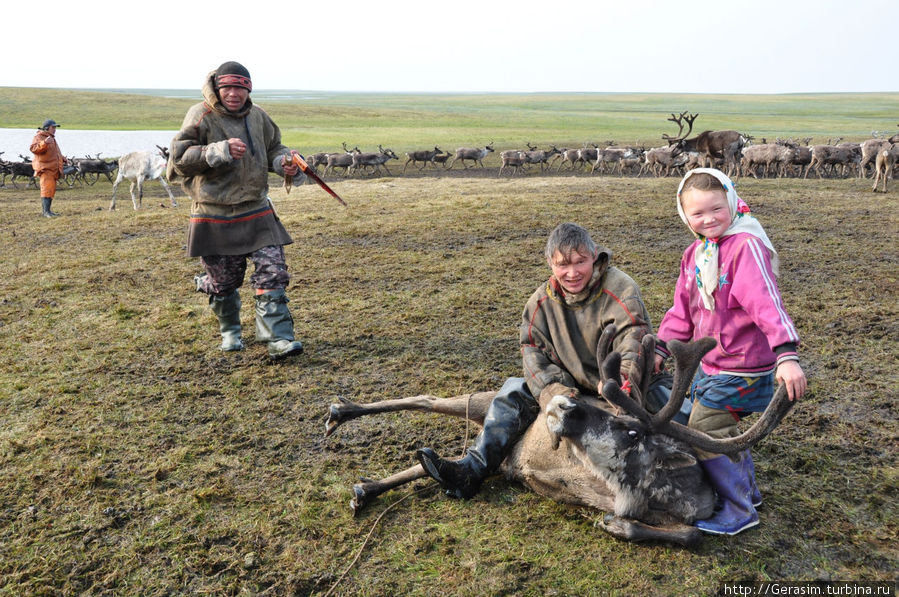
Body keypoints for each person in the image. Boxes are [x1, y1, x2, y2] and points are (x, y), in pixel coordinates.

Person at [417, 222, 658, 499]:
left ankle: (713, 462)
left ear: (595, 255)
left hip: (619, 386)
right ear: (549, 263)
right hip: (570, 383)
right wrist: (556, 392)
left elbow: (633, 336)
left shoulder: (621, 288)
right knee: (512, 392)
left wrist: (620, 381)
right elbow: (533, 352)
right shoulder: (539, 302)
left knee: (671, 408)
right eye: (562, 265)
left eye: (580, 262)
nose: (572, 272)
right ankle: (472, 469)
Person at [653, 167, 807, 536]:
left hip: (744, 364)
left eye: (717, 209)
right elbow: (681, 311)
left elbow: (766, 303)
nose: (709, 219)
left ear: (732, 202)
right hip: (711, 363)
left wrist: (787, 356)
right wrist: (659, 347)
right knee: (718, 428)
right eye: (698, 213)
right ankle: (749, 493)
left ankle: (738, 510)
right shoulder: (696, 254)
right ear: (683, 214)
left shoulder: (745, 246)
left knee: (705, 429)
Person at [167, 61, 306, 359]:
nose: (233, 94)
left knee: (273, 271)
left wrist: (285, 162)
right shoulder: (200, 114)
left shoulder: (258, 116)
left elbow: (274, 148)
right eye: (227, 87)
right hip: (213, 212)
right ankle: (230, 331)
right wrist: (220, 150)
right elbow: (179, 158)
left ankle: (277, 339)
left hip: (256, 208)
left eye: (240, 88)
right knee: (224, 282)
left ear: (249, 90)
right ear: (217, 88)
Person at [30, 119, 65, 217]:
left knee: (51, 190)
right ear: (46, 128)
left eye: (55, 127)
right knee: (46, 189)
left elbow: (55, 153)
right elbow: (33, 149)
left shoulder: (51, 138)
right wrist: (44, 143)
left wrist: (63, 159)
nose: (55, 129)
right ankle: (46, 212)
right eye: (53, 127)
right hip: (45, 168)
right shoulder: (39, 137)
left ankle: (48, 211)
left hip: (53, 169)